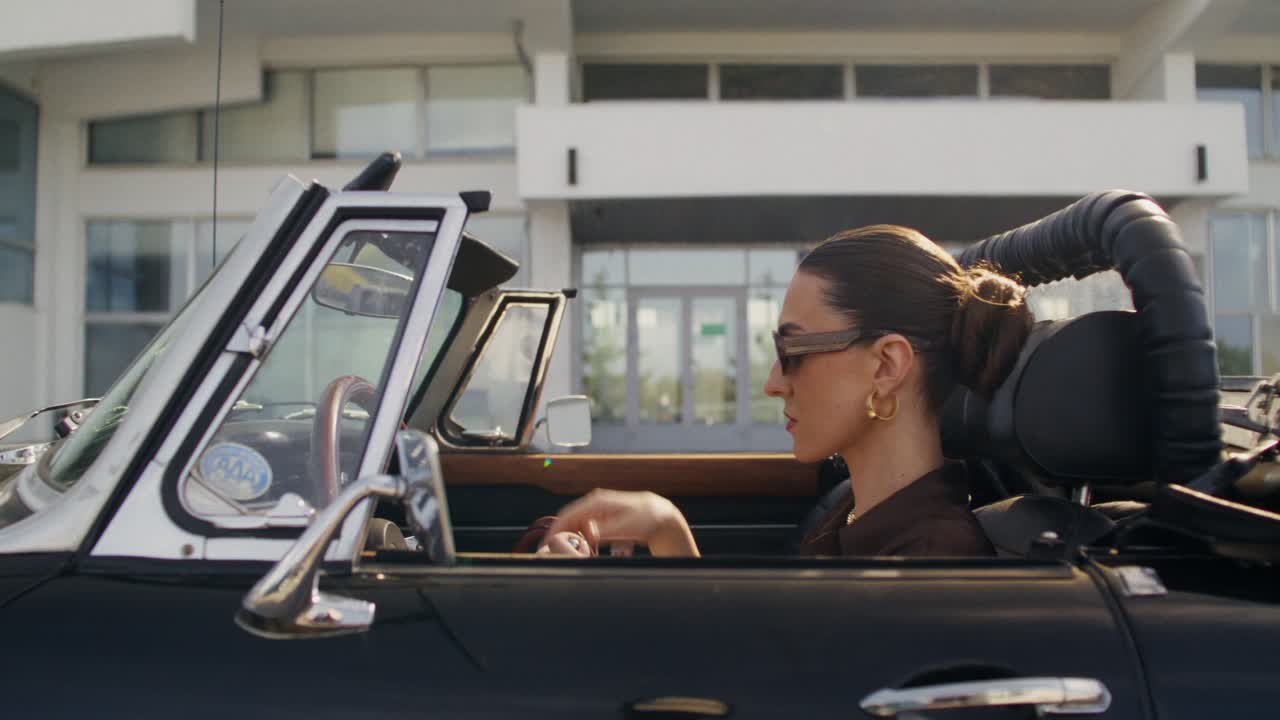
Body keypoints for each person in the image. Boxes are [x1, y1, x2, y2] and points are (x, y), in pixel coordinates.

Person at [540, 224, 1032, 558]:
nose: (773, 383)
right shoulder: (859, 514)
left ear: (886, 365)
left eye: (794, 350)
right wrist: (664, 528)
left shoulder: (928, 562)